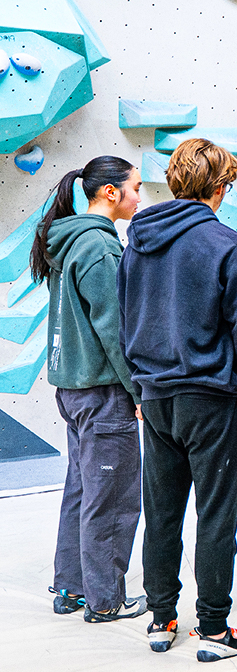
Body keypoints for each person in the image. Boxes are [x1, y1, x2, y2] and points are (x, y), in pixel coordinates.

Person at [117, 138, 237, 661]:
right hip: (211, 401)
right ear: (219, 187)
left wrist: (140, 389)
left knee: (161, 513)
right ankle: (213, 628)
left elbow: (124, 324)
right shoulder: (227, 245)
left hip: (156, 399)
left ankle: (161, 619)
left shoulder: (137, 242)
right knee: (215, 514)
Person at [30, 157, 147, 623]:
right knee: (113, 498)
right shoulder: (99, 246)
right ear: (110, 193)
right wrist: (138, 392)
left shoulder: (68, 238)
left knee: (82, 489)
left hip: (74, 390)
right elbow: (115, 330)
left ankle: (71, 588)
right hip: (103, 393)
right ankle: (105, 600)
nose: (140, 197)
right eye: (136, 187)